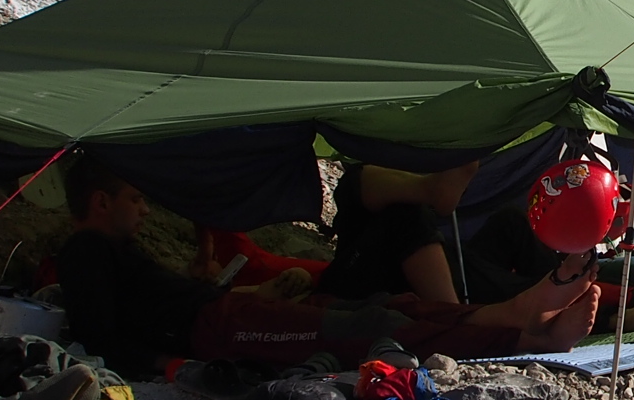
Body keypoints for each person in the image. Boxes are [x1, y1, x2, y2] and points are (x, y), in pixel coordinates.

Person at [55, 159, 597, 376]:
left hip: (232, 312)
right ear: (100, 203)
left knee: (386, 307)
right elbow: (96, 332)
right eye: (132, 199)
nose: (144, 208)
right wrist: (168, 365)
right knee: (373, 332)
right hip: (217, 328)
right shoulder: (86, 253)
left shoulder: (113, 255)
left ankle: (517, 315)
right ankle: (521, 331)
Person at [312, 162, 480, 302]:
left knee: (354, 185)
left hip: (468, 273)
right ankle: (450, 314)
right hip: (345, 295)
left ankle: (430, 189)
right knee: (404, 213)